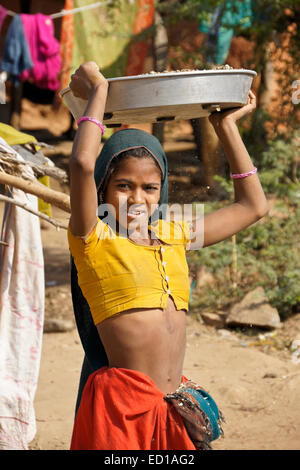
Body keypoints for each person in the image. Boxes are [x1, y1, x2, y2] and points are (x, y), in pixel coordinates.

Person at [67, 62, 269, 450]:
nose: (138, 198)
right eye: (123, 185)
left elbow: (253, 206)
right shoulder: (93, 239)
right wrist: (98, 89)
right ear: (103, 188)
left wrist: (225, 126)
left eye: (150, 187)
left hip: (173, 410)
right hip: (123, 414)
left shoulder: (174, 234)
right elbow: (80, 163)